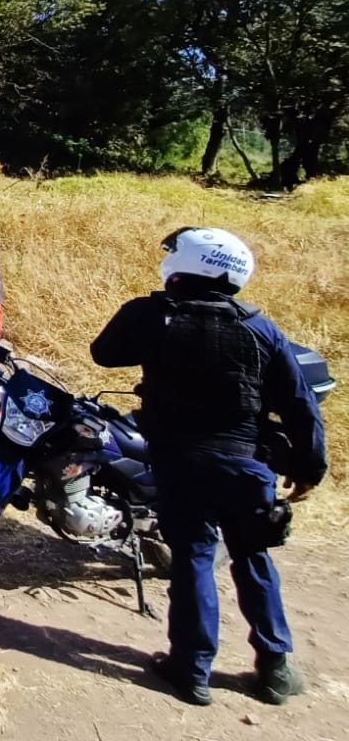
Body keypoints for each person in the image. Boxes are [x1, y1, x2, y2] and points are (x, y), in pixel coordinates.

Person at [91, 227, 328, 708]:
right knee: (254, 558)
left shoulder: (152, 314)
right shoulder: (261, 328)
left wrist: (151, 320)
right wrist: (309, 468)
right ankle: (276, 669)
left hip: (182, 461)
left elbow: (104, 353)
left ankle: (192, 670)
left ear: (187, 263)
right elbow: (301, 405)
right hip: (247, 464)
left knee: (195, 556)